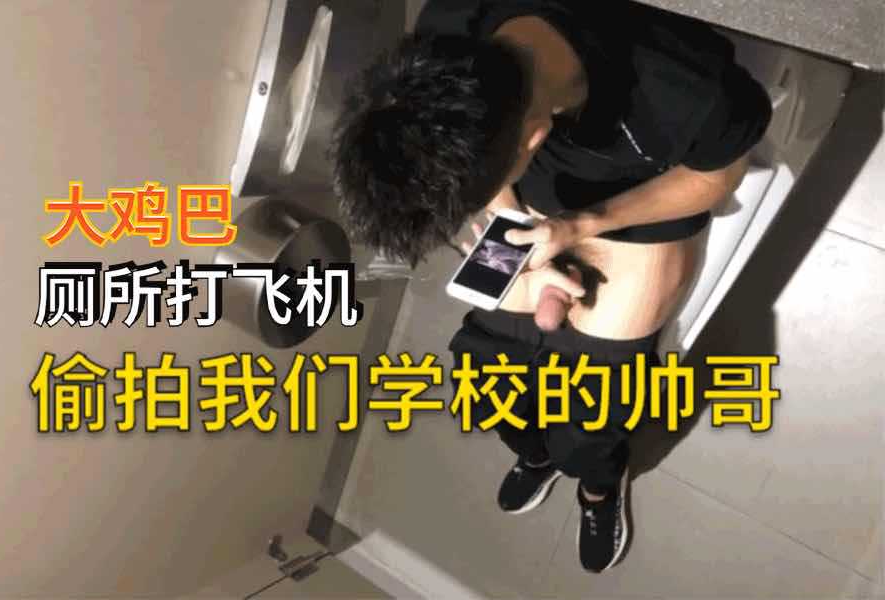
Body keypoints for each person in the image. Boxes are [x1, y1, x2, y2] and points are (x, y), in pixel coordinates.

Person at [330, 0, 771, 573]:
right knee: (488, 378)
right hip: (527, 206)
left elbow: (720, 175)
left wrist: (579, 227)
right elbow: (486, 181)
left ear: (535, 135)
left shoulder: (679, 87)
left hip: (634, 214)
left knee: (591, 410)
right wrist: (510, 220)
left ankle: (597, 482)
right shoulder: (446, 33)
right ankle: (535, 453)